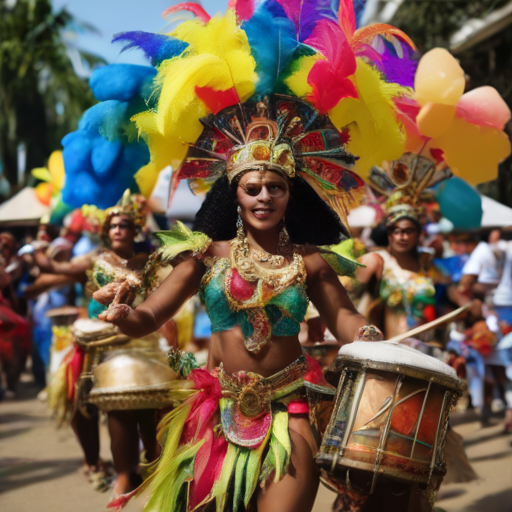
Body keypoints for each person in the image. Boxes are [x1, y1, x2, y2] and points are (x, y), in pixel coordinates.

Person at [31, 194, 171, 496]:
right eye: (113, 226)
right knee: (90, 407)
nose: (118, 230)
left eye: (125, 225)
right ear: (106, 232)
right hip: (97, 345)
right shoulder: (94, 259)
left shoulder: (148, 261)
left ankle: (151, 465)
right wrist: (39, 253)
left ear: (136, 230)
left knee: (149, 409)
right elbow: (58, 271)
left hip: (141, 343)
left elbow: (168, 299)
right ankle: (112, 468)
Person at [355, 205, 436, 339]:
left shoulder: (426, 263)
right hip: (389, 344)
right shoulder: (377, 260)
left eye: (409, 231)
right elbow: (348, 296)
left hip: (423, 343)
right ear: (389, 234)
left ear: (418, 234)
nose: (402, 237)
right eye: (396, 231)